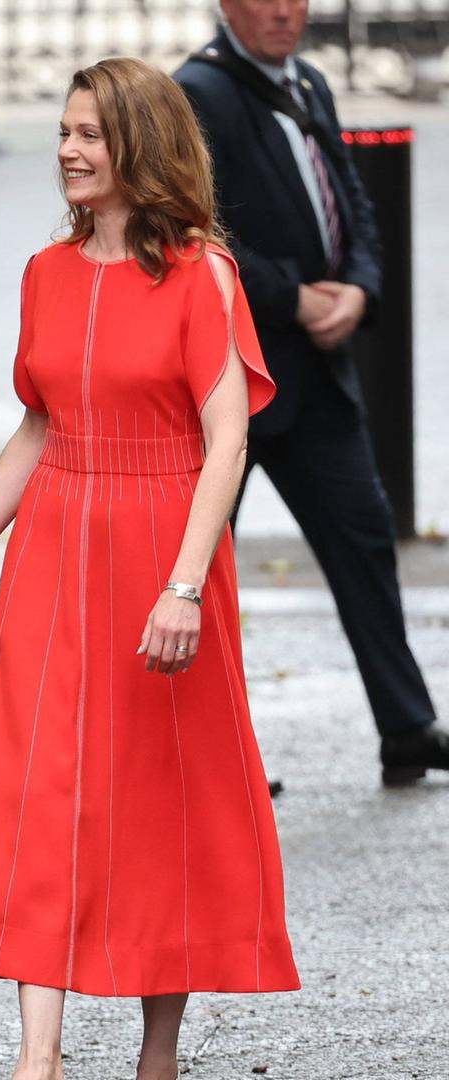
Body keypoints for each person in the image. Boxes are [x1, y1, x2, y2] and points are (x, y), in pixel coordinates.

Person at [0, 57, 298, 1080]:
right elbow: (40, 427)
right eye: (62, 132)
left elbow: (226, 440)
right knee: (37, 791)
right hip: (56, 548)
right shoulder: (46, 273)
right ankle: (37, 1059)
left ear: (142, 143)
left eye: (89, 133)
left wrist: (185, 584)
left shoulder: (201, 273)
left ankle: (158, 1052)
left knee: (158, 801)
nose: (67, 150)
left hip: (161, 549)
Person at [175, 0, 448, 784]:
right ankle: (206, 758)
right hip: (234, 379)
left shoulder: (311, 83)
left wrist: (359, 288)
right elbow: (198, 231)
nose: (285, 12)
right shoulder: (199, 93)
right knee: (201, 567)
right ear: (228, 5)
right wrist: (293, 297)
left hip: (320, 379)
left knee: (365, 543)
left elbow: (354, 204)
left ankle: (406, 726)